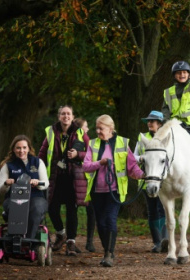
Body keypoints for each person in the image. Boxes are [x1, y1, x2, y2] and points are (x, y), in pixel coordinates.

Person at [82, 114, 144, 267]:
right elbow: (85, 166)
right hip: (97, 192)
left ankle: (108, 254)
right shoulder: (93, 144)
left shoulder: (122, 143)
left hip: (114, 191)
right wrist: (100, 163)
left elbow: (132, 167)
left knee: (110, 219)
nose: (97, 131)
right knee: (101, 224)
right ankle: (107, 250)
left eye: (101, 128)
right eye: (96, 128)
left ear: (110, 129)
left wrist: (143, 176)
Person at [38, 105, 90, 256]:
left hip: (73, 178)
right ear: (59, 116)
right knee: (52, 207)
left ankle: (71, 243)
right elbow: (42, 153)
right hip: (55, 176)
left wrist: (78, 155)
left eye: (68, 114)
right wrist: (36, 169)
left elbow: (89, 154)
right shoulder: (51, 132)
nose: (66, 116)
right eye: (63, 114)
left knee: (71, 209)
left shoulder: (80, 133)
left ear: (73, 117)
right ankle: (61, 234)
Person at [0, 135, 49, 239]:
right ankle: (15, 238)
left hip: (35, 197)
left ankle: (29, 240)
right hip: (14, 197)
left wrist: (38, 182)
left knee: (36, 208)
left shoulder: (38, 162)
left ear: (29, 148)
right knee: (16, 206)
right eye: (18, 148)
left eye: (24, 147)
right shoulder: (8, 165)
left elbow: (46, 183)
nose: (21, 151)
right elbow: (1, 189)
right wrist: (6, 184)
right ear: (13, 149)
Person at [134, 110, 168, 253]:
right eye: (148, 121)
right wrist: (142, 158)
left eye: (152, 121)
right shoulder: (142, 138)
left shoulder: (166, 139)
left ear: (160, 124)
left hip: (162, 182)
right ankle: (157, 242)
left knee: (162, 209)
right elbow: (133, 157)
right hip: (147, 180)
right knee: (152, 210)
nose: (149, 123)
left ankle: (165, 239)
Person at [73, 117, 97, 252]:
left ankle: (89, 241)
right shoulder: (77, 140)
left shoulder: (87, 140)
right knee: (78, 210)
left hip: (87, 178)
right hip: (80, 178)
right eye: (86, 126)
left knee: (90, 210)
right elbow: (89, 155)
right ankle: (78, 241)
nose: (87, 129)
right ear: (80, 128)